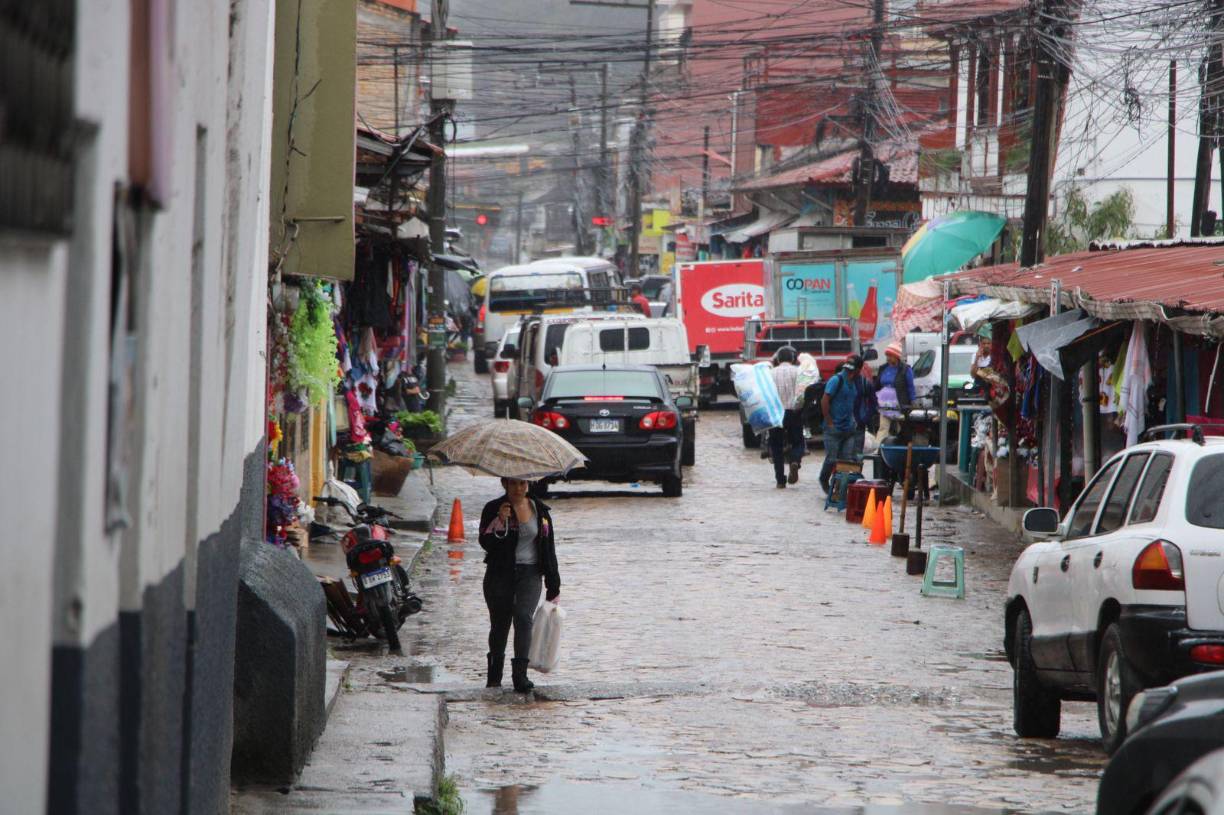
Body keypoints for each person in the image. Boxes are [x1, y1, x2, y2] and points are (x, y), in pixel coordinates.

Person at [478, 478, 562, 692]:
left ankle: (520, 675)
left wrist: (554, 584)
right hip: (500, 573)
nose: (519, 489)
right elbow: (486, 543)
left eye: (523, 484)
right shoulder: (493, 508)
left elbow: (548, 548)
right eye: (514, 484)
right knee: (500, 623)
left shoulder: (540, 511)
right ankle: (494, 675)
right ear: (504, 484)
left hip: (531, 573)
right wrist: (500, 520)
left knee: (524, 617)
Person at [819, 355, 864, 495]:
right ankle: (823, 479)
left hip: (849, 429)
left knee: (846, 461)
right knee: (832, 459)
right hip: (833, 428)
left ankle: (838, 488)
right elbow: (824, 400)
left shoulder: (855, 383)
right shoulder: (836, 380)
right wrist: (829, 421)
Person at [767, 345, 805, 488]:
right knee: (798, 441)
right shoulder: (799, 372)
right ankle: (795, 461)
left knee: (776, 446)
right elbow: (803, 392)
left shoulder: (771, 373)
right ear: (793, 359)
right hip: (794, 412)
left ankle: (780, 480)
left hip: (776, 413)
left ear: (777, 359)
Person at [874, 341, 915, 434]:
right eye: (887, 355)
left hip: (900, 404)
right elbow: (877, 385)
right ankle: (879, 447)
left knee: (900, 428)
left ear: (896, 356)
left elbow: (910, 387)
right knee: (883, 428)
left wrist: (912, 401)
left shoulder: (905, 369)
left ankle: (900, 446)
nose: (888, 358)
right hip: (884, 403)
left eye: (890, 355)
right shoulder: (883, 368)